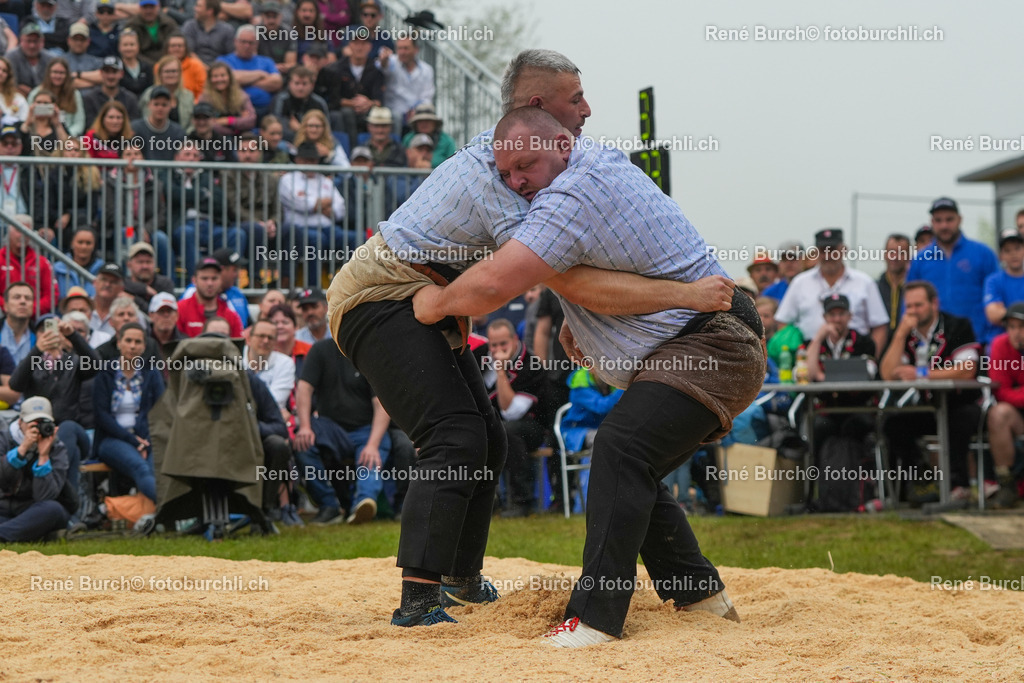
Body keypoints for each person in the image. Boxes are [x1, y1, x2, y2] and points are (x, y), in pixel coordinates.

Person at [328, 49, 740, 630]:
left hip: (421, 293)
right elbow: (544, 274)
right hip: (382, 297)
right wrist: (681, 293)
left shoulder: (524, 158)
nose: (588, 109)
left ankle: (460, 580)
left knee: (488, 438)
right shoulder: (507, 170)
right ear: (538, 106)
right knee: (453, 437)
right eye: (576, 99)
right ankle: (418, 596)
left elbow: (552, 264)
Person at [411, 105, 764, 646]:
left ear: (562, 145)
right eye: (506, 174)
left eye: (525, 165)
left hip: (714, 341)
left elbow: (495, 286)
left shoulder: (572, 190)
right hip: (698, 341)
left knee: (620, 450)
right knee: (631, 467)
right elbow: (593, 281)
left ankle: (596, 618)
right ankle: (699, 595)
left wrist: (436, 302)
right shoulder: (583, 174)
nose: (517, 181)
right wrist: (587, 325)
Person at [879, 280, 983, 504]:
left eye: (919, 305)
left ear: (934, 304)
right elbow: (888, 374)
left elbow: (967, 369)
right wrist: (899, 335)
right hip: (927, 406)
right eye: (909, 307)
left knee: (958, 421)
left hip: (960, 404)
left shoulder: (957, 326)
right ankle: (920, 482)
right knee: (894, 424)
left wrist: (921, 373)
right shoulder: (906, 333)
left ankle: (959, 486)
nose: (914, 311)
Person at [293, 336, 391, 525]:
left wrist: (372, 444)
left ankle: (363, 503)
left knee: (372, 454)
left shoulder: (369, 353)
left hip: (366, 428)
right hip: (329, 429)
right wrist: (305, 427)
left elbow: (381, 404)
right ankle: (330, 506)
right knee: (302, 444)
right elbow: (304, 389)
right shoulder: (319, 350)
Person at [9, 314, 101, 509]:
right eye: (43, 331)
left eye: (53, 330)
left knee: (66, 429)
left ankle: (56, 502)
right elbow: (15, 384)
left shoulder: (73, 361)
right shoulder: (33, 361)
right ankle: (69, 512)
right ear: (37, 336)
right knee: (71, 451)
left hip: (72, 429)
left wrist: (73, 335)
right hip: (41, 434)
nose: (49, 334)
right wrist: (37, 350)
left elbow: (95, 365)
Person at [775, 228, 889, 356]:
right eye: (823, 250)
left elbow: (880, 326)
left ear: (844, 250)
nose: (828, 255)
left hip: (855, 358)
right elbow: (783, 322)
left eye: (833, 250)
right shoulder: (800, 282)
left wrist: (870, 360)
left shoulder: (864, 282)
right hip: (809, 360)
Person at [907, 197, 999, 347]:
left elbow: (996, 298)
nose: (944, 225)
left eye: (949, 219)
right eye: (939, 220)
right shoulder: (920, 260)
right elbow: (908, 304)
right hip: (934, 345)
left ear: (960, 219)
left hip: (978, 341)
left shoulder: (983, 254)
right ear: (932, 222)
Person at [92, 321, 165, 504]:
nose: (132, 346)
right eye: (128, 340)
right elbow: (101, 415)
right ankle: (175, 511)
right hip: (112, 439)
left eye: (138, 342)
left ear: (144, 346)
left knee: (154, 469)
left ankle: (163, 513)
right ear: (119, 342)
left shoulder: (151, 372)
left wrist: (145, 441)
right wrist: (133, 441)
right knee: (140, 468)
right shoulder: (105, 372)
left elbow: (160, 410)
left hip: (147, 438)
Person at [483, 318, 549, 518]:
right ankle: (487, 502)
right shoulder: (482, 361)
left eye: (503, 344)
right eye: (493, 345)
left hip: (532, 426)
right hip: (496, 425)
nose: (498, 349)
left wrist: (500, 371)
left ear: (514, 339)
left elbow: (510, 411)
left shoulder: (531, 365)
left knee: (508, 430)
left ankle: (521, 501)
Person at [0, 396, 71, 543]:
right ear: (20, 423)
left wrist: (43, 456)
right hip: (3, 506)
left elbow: (45, 496)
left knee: (54, 510)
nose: (38, 429)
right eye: (33, 423)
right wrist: (21, 450)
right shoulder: (4, 439)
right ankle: (14, 533)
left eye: (43, 423)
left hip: (32, 509)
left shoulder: (57, 448)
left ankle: (5, 533)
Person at [984, 302, 1024, 509]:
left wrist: (1017, 393)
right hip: (1017, 416)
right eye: (1012, 327)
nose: (1016, 333)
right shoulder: (999, 345)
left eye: (1022, 326)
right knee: (998, 414)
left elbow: (1010, 392)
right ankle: (1007, 484)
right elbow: (1000, 391)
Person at [321, 33, 382, 146]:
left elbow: (379, 100)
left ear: (370, 46)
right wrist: (354, 104)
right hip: (344, 110)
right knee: (346, 113)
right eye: (356, 43)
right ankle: (352, 150)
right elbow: (335, 99)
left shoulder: (376, 70)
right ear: (350, 45)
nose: (359, 47)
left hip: (368, 110)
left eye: (363, 43)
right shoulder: (337, 68)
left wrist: (368, 103)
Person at [217, 24, 281, 116]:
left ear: (257, 44)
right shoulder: (223, 61)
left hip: (264, 110)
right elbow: (230, 78)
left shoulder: (266, 61)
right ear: (235, 41)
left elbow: (277, 82)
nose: (247, 46)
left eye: (251, 43)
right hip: (233, 110)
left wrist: (244, 81)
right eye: (243, 42)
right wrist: (260, 74)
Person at [0, 215, 57, 315]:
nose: (22, 235)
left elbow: (51, 296)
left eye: (26, 231)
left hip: (35, 319)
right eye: (18, 230)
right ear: (9, 232)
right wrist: (11, 308)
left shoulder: (42, 262)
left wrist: (28, 310)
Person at [378, 37, 434, 136]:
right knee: (396, 117)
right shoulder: (391, 62)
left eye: (406, 48)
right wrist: (383, 60)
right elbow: (382, 67)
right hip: (393, 111)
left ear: (416, 49)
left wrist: (416, 110)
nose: (402, 52)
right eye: (399, 48)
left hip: (416, 112)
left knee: (426, 118)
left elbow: (427, 96)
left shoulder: (427, 70)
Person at [176, 257, 243, 337]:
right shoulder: (180, 310)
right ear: (194, 280)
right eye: (204, 278)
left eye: (214, 278)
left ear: (221, 280)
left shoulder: (231, 315)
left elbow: (238, 346)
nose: (210, 283)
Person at [268, 65, 329, 143]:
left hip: (315, 143)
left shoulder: (319, 103)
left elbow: (326, 130)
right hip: (287, 142)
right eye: (297, 83)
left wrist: (300, 129)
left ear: (312, 85)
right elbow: (276, 129)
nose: (300, 88)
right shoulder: (281, 100)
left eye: (304, 84)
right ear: (290, 83)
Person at [28, 58, 86, 137]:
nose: (58, 76)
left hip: (68, 136)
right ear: (48, 73)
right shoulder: (36, 93)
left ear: (67, 75)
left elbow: (79, 123)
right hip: (40, 135)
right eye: (55, 72)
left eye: (62, 73)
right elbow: (29, 117)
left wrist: (68, 136)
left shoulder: (75, 94)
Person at [983, 230, 1024, 335]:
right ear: (1000, 256)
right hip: (1000, 340)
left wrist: (1005, 313)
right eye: (1007, 250)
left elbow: (999, 314)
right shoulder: (993, 281)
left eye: (1017, 248)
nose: (1013, 254)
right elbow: (993, 315)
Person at [130, 85, 187, 160]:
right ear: (149, 105)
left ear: (170, 106)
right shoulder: (135, 128)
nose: (160, 108)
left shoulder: (178, 132)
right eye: (156, 104)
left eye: (164, 105)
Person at [199, 60, 255, 136]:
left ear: (229, 77)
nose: (219, 79)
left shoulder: (240, 95)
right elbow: (208, 125)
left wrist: (228, 121)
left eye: (223, 75)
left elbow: (251, 120)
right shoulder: (205, 98)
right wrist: (236, 128)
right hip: (217, 139)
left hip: (241, 137)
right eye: (215, 76)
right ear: (209, 79)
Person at [81, 56, 141, 125]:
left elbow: (133, 125)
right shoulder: (90, 98)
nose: (110, 76)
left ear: (121, 74)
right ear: (101, 73)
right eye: (107, 72)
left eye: (114, 72)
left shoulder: (130, 99)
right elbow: (89, 125)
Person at [140, 55, 195, 126]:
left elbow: (192, 123)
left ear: (180, 73)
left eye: (174, 71)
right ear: (160, 74)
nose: (171, 74)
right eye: (167, 71)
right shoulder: (149, 94)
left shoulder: (188, 96)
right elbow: (146, 121)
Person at [123, 241, 174, 312]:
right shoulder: (123, 284)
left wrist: (134, 299)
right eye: (140, 262)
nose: (145, 266)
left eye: (149, 262)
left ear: (155, 263)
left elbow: (160, 314)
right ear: (129, 265)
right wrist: (144, 289)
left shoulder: (165, 284)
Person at [401, 103, 455, 169]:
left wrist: (431, 165)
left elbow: (453, 164)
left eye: (428, 120)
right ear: (415, 123)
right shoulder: (408, 139)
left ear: (435, 123)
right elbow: (402, 161)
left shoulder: (447, 141)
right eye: (420, 121)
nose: (424, 124)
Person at [53, 228, 104, 298]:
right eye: (80, 242)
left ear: (94, 246)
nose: (84, 247)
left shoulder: (102, 270)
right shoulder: (57, 269)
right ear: (72, 244)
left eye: (88, 243)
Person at [877, 233, 911, 337]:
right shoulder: (874, 288)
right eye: (891, 252)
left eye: (901, 253)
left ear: (909, 256)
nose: (895, 257)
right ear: (884, 254)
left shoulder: (914, 290)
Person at [7, 23, 53, 97]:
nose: (32, 45)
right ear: (21, 40)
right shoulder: (11, 57)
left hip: (45, 98)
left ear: (42, 41)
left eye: (35, 41)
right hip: (16, 98)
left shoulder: (50, 58)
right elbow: (9, 84)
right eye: (28, 41)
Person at [182, 0, 234, 65]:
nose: (195, 8)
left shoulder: (227, 30)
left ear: (210, 11)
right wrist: (205, 68)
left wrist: (215, 70)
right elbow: (189, 53)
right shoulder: (190, 26)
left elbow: (230, 56)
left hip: (219, 69)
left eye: (199, 6)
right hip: (195, 67)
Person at [1, 281, 36, 365]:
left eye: (28, 298)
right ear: (5, 306)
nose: (23, 301)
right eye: (17, 297)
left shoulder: (41, 336)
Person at [166, 32, 206, 99]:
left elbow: (202, 89)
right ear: (167, 48)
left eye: (180, 46)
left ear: (185, 48)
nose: (176, 48)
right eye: (173, 46)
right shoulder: (159, 66)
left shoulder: (196, 65)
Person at [115, 29, 154, 96]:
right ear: (119, 47)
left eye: (132, 44)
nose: (129, 48)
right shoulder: (115, 67)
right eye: (125, 45)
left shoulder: (147, 67)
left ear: (138, 46)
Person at [0, 56, 30, 121]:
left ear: (8, 76)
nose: (0, 73)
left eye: (4, 71)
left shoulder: (18, 98)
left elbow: (24, 121)